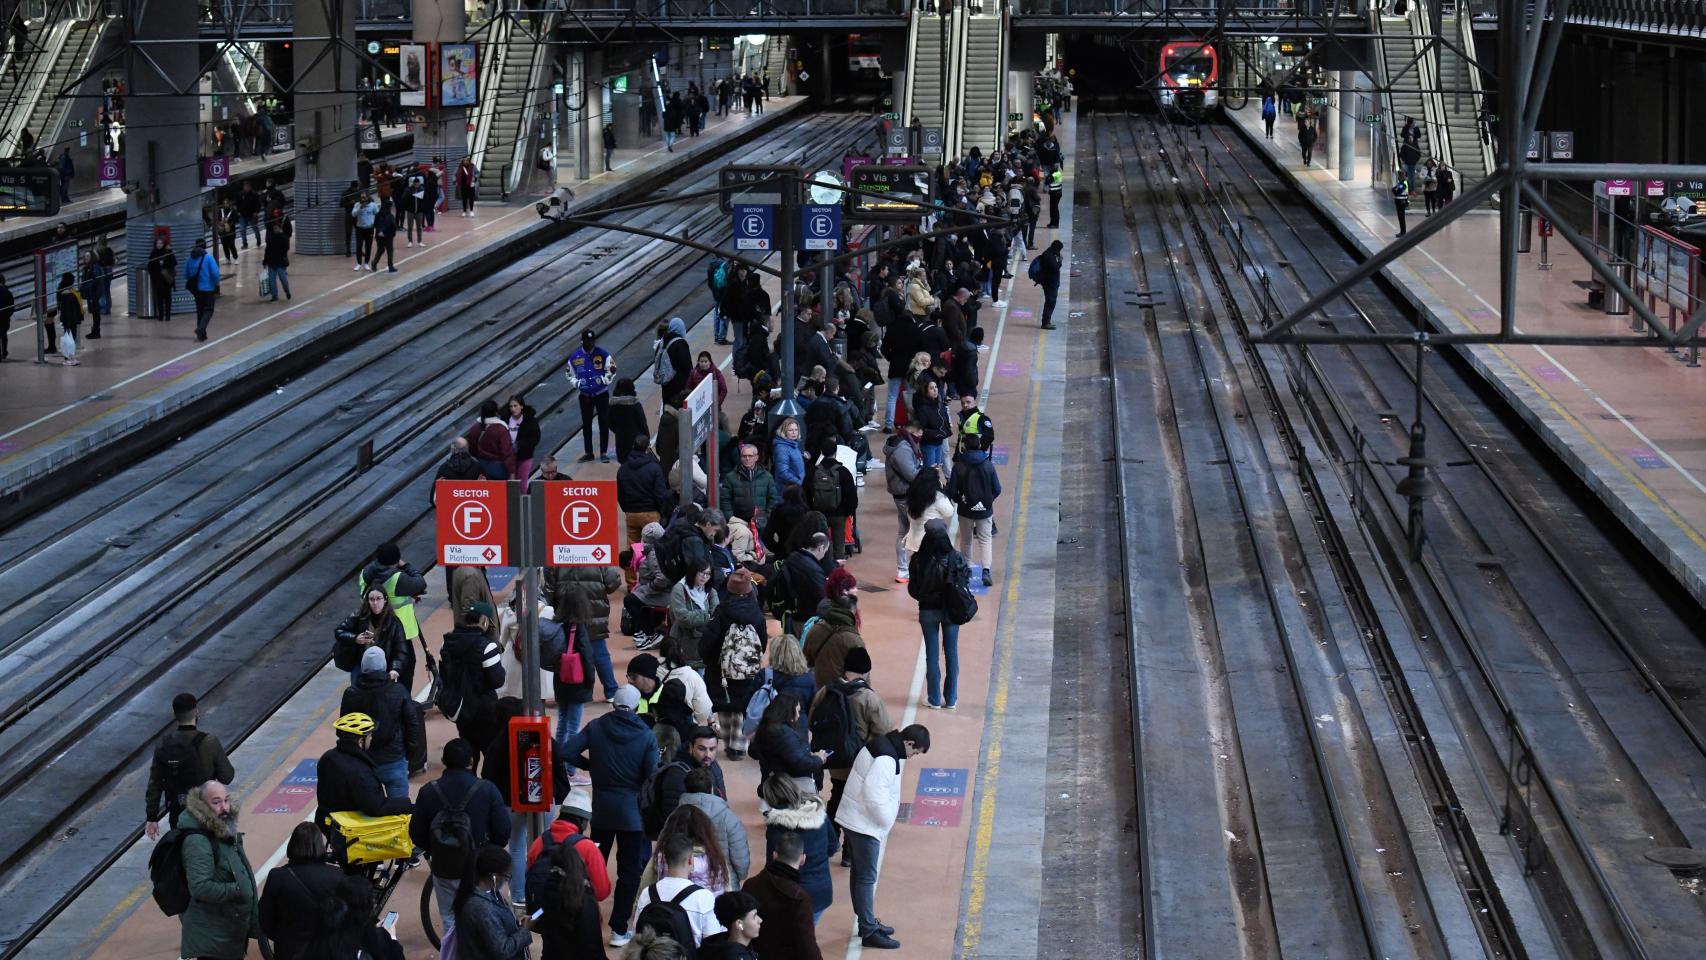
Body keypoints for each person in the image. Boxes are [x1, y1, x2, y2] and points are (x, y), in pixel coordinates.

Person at [562, 685, 659, 946]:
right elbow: (651, 774)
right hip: (632, 814)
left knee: (592, 867)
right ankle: (618, 929)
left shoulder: (596, 726)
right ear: (637, 705)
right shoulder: (646, 735)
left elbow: (566, 752)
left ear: (614, 704)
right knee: (629, 872)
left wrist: (591, 765)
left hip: (602, 810)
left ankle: (586, 921)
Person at [835, 725, 931, 950]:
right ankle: (868, 929)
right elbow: (875, 797)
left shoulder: (883, 744)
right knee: (866, 877)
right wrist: (887, 819)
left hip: (855, 818)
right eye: (915, 752)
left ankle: (865, 921)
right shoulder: (887, 759)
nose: (912, 756)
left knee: (860, 875)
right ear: (908, 743)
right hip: (864, 825)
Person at [411, 739, 511, 934]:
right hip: (480, 867)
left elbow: (416, 832)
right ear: (472, 761)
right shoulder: (487, 789)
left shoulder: (428, 791)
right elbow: (502, 831)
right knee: (484, 918)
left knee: (450, 918)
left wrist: (436, 849)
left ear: (443, 760)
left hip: (444, 866)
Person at [809, 645, 891, 851]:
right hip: (858, 760)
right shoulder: (869, 698)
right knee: (855, 807)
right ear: (866, 671)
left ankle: (829, 842)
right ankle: (848, 851)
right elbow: (884, 731)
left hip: (832, 757)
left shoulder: (827, 691)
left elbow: (812, 720)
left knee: (835, 797)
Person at [175, 781, 262, 960]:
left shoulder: (221, 831)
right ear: (202, 805)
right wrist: (237, 889)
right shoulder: (198, 842)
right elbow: (200, 887)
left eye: (226, 800)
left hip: (227, 930)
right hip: (214, 939)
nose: (224, 808)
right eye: (216, 802)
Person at [145, 692, 235, 840]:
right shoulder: (209, 742)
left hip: (177, 812)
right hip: (206, 812)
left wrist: (152, 817)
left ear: (174, 714)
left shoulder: (163, 744)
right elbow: (227, 776)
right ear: (196, 711)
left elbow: (154, 783)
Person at [701, 567, 767, 758]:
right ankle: (738, 744)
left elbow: (709, 640)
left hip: (721, 668)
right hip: (748, 667)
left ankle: (728, 740)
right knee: (742, 705)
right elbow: (762, 640)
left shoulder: (721, 611)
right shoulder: (756, 613)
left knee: (725, 703)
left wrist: (709, 659)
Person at [338, 646, 417, 799]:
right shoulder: (398, 691)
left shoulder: (351, 693)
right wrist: (410, 754)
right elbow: (412, 724)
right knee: (399, 813)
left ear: (363, 667)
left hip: (362, 763)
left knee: (365, 814)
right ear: (384, 666)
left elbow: (343, 730)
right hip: (393, 758)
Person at [909, 519, 971, 709]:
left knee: (932, 655)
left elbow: (913, 589)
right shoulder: (956, 557)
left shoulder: (918, 560)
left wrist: (924, 597)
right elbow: (964, 581)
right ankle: (951, 698)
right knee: (952, 653)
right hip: (951, 610)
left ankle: (934, 698)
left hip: (928, 610)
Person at [257, 823, 343, 960]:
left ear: (292, 845)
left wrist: (282, 936)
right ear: (320, 845)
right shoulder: (337, 875)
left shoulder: (278, 877)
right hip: (327, 950)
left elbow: (264, 920)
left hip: (290, 951)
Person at [314, 712, 413, 828]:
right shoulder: (360, 771)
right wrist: (407, 805)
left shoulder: (327, 757)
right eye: (370, 735)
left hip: (326, 821)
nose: (371, 738)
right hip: (348, 829)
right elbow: (376, 807)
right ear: (360, 741)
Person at [440, 601, 507, 768]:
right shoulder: (487, 647)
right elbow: (497, 680)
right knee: (491, 755)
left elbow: (444, 675)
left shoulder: (446, 644)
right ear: (484, 621)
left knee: (468, 752)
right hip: (485, 711)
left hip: (460, 709)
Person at [544, 562, 623, 700]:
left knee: (567, 651)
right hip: (594, 613)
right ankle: (611, 691)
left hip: (566, 611)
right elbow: (612, 583)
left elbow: (549, 590)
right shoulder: (596, 551)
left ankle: (577, 694)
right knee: (600, 653)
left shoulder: (557, 551)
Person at [530, 821, 606, 959]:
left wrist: (533, 917)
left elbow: (543, 910)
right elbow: (592, 947)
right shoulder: (584, 901)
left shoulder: (549, 888)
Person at [633, 833, 723, 946]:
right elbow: (713, 942)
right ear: (691, 859)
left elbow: (637, 935)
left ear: (664, 859)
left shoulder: (647, 893)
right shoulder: (703, 897)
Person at [357, 541, 425, 688]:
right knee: (403, 669)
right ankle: (401, 703)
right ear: (395, 561)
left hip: (371, 630)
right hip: (399, 631)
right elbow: (420, 582)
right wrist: (405, 565)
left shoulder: (364, 573)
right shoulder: (397, 578)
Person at [743, 828, 819, 956]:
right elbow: (807, 945)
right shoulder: (799, 898)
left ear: (774, 855)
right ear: (802, 859)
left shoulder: (750, 884)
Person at [452, 845, 535, 959]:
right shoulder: (481, 908)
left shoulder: (484, 894)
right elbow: (502, 950)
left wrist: (515, 925)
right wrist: (524, 931)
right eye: (507, 876)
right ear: (494, 876)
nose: (507, 880)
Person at [675, 767, 750, 885]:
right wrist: (740, 876)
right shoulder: (728, 817)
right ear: (711, 789)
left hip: (686, 882)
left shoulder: (675, 817)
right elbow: (739, 856)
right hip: (723, 883)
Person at [948, 433, 1001, 586]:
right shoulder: (988, 464)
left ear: (964, 447)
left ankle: (967, 568)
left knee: (966, 540)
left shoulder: (958, 465)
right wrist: (988, 501)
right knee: (985, 539)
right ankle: (986, 571)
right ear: (979, 445)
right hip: (985, 510)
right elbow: (997, 488)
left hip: (965, 510)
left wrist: (960, 500)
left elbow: (952, 491)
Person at [750, 694, 829, 793]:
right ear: (788, 711)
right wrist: (819, 759)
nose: (799, 715)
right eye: (798, 711)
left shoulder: (766, 727)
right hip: (787, 788)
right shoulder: (783, 733)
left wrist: (806, 755)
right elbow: (801, 764)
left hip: (773, 784)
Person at [567, 327, 616, 462]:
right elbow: (569, 374)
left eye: (592, 341)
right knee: (586, 424)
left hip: (601, 394)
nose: (590, 344)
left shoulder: (603, 354)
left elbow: (612, 369)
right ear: (582, 341)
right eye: (587, 341)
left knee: (603, 423)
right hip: (585, 396)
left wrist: (604, 380)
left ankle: (603, 452)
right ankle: (589, 452)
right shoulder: (575, 357)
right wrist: (577, 384)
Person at [802, 593, 864, 688]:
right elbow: (860, 676)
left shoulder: (815, 629)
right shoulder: (855, 640)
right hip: (840, 695)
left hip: (818, 690)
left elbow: (806, 659)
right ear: (853, 612)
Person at [721, 443, 780, 527]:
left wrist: (766, 517)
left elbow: (773, 499)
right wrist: (731, 519)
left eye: (750, 456)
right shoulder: (730, 477)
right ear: (740, 457)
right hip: (739, 524)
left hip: (761, 523)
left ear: (756, 457)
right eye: (744, 456)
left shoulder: (767, 477)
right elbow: (725, 501)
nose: (747, 458)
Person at [700, 891, 763, 959]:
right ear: (739, 924)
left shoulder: (720, 946)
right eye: (754, 916)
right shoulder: (732, 956)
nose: (760, 920)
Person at [466, 399, 515, 479]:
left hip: (480, 468)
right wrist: (512, 472)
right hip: (498, 469)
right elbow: (507, 453)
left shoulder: (474, 428)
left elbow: (472, 449)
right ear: (496, 412)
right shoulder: (501, 429)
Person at [183, 238, 221, 342]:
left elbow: (185, 274)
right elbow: (215, 273)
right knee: (209, 310)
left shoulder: (189, 259)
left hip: (196, 290)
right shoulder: (208, 258)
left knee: (200, 311)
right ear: (205, 246)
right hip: (208, 289)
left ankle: (202, 335)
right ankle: (200, 329)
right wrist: (216, 283)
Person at [506, 395, 540, 480]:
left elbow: (535, 438)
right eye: (511, 406)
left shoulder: (530, 420)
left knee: (522, 483)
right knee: (510, 484)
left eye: (515, 406)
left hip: (525, 456)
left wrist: (520, 444)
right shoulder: (505, 419)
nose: (513, 409)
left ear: (521, 406)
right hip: (508, 457)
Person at [263, 216, 292, 300]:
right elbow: (267, 250)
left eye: (276, 228)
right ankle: (274, 296)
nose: (275, 229)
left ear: (280, 228)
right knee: (272, 281)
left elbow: (286, 247)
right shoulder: (271, 238)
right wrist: (265, 261)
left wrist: (280, 235)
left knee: (283, 279)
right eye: (274, 228)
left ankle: (287, 292)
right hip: (272, 263)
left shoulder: (284, 237)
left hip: (280, 262)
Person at [771, 418, 806, 489]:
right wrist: (798, 482)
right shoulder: (782, 448)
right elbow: (782, 472)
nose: (794, 432)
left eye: (796, 430)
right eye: (790, 430)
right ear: (784, 431)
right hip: (787, 489)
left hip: (794, 487)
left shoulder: (793, 444)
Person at [351, 191, 378, 267]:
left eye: (364, 197)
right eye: (361, 197)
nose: (363, 199)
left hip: (369, 229)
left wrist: (375, 224)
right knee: (359, 246)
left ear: (367, 197)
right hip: (360, 229)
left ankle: (366, 263)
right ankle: (358, 263)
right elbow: (353, 214)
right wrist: (360, 208)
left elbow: (377, 214)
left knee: (368, 246)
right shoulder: (357, 205)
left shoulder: (373, 205)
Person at [370, 199, 398, 272]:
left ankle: (374, 263)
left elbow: (375, 225)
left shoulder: (378, 215)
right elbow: (394, 226)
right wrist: (393, 234)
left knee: (380, 250)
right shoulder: (390, 216)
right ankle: (390, 266)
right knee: (390, 251)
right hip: (388, 236)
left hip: (379, 236)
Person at [1392, 173, 1412, 238]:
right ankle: (1402, 231)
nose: (1399, 177)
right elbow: (1393, 189)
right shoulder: (1401, 182)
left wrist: (1395, 190)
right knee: (1400, 217)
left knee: (1401, 217)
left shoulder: (1403, 183)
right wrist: (1395, 190)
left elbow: (1396, 192)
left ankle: (1403, 232)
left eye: (1400, 175)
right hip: (1399, 201)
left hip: (1401, 201)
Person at [0, 273, 12, 361]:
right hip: (5, 318)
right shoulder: (7, 292)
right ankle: (4, 352)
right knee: (3, 335)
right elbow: (12, 306)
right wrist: (7, 315)